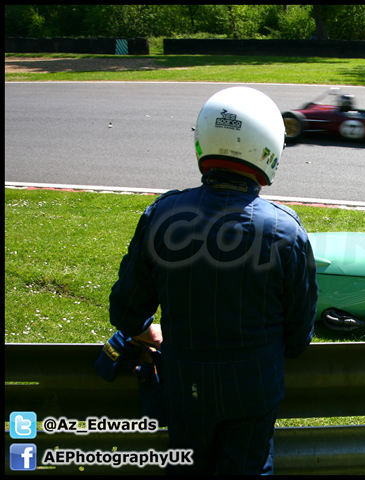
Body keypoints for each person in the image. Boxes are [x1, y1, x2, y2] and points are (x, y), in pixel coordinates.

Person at [109, 86, 318, 475]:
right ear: (269, 148)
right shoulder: (285, 230)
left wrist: (146, 332)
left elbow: (126, 311)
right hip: (254, 391)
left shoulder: (162, 214)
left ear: (204, 141)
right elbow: (299, 335)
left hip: (186, 389)